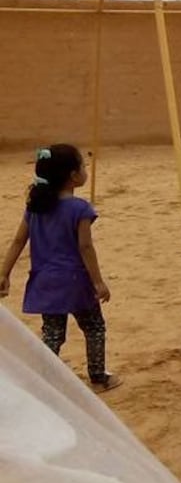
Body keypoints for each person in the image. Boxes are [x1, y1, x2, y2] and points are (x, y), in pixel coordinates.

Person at [0, 145, 120, 391]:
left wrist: (4, 273)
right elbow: (86, 247)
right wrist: (98, 282)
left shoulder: (35, 206)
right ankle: (98, 376)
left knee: (53, 333)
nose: (85, 170)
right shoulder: (80, 209)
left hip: (45, 280)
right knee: (94, 326)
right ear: (73, 176)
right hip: (75, 281)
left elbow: (18, 241)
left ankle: (46, 380)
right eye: (83, 166)